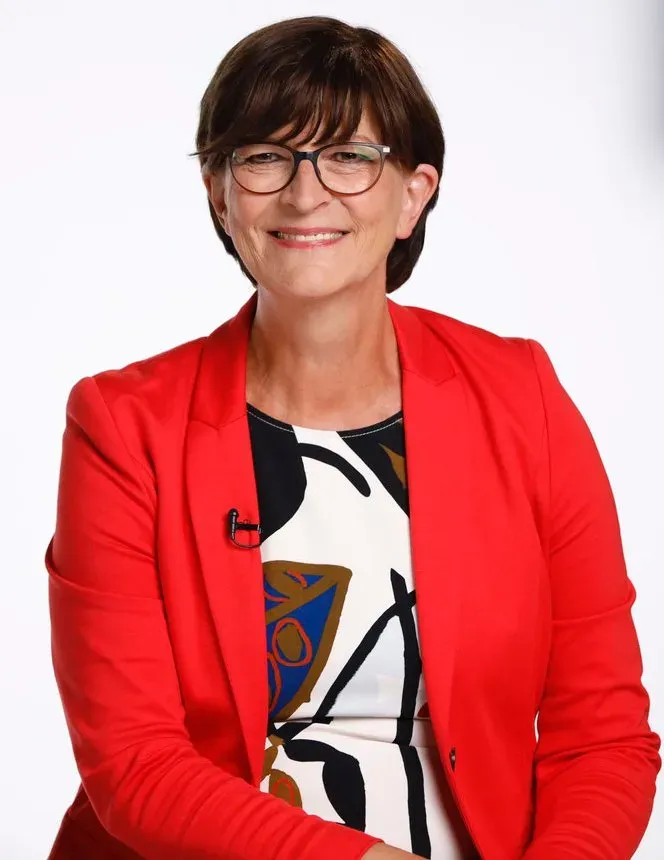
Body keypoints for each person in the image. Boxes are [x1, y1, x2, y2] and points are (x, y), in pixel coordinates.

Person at [45, 15, 660, 860]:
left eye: (349, 156)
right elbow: (136, 764)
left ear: (413, 194)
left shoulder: (523, 400)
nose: (306, 194)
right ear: (219, 194)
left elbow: (602, 736)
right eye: (266, 157)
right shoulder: (124, 428)